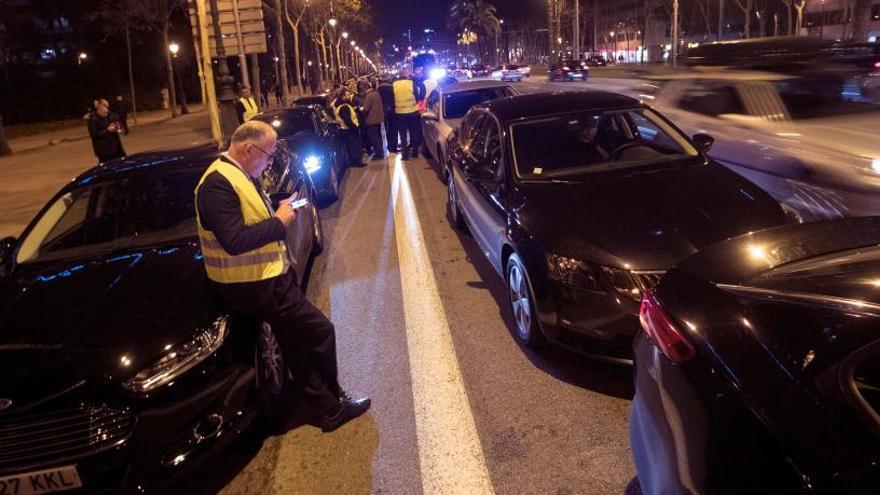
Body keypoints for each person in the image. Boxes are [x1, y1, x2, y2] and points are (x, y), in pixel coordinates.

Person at [194, 121, 370, 432]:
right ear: (249, 148)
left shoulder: (239, 173)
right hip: (257, 285)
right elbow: (234, 240)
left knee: (296, 343)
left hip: (267, 278)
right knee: (320, 332)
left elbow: (247, 219)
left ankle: (328, 408)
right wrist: (279, 221)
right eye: (269, 154)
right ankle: (335, 398)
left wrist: (277, 208)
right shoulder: (217, 184)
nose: (271, 161)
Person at [392, 70, 426, 160]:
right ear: (407, 76)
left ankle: (405, 155)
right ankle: (415, 153)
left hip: (400, 113)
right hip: (412, 112)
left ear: (399, 76)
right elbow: (417, 96)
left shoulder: (394, 85)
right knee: (413, 133)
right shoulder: (411, 83)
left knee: (403, 135)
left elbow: (392, 98)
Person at [333, 89, 366, 167]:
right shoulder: (344, 107)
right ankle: (358, 162)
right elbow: (348, 120)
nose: (348, 96)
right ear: (343, 96)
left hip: (345, 130)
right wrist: (355, 127)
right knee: (355, 146)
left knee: (350, 147)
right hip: (350, 130)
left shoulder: (340, 105)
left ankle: (353, 162)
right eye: (347, 95)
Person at [88, 99, 126, 163]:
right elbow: (94, 134)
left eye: (107, 106)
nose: (107, 108)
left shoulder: (111, 115)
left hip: (116, 147)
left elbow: (119, 125)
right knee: (106, 168)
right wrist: (108, 130)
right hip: (104, 151)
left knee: (123, 162)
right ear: (99, 107)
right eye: (105, 106)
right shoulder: (93, 119)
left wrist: (118, 127)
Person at [361, 81, 385, 161]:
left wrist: (360, 110)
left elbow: (365, 109)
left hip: (372, 120)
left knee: (374, 138)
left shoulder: (369, 96)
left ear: (364, 88)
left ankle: (379, 154)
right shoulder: (376, 93)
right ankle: (381, 152)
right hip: (378, 119)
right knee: (378, 137)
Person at [377, 77, 397, 152]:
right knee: (394, 129)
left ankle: (389, 146)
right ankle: (394, 147)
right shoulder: (392, 87)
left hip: (384, 111)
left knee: (387, 129)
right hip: (393, 110)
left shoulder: (379, 89)